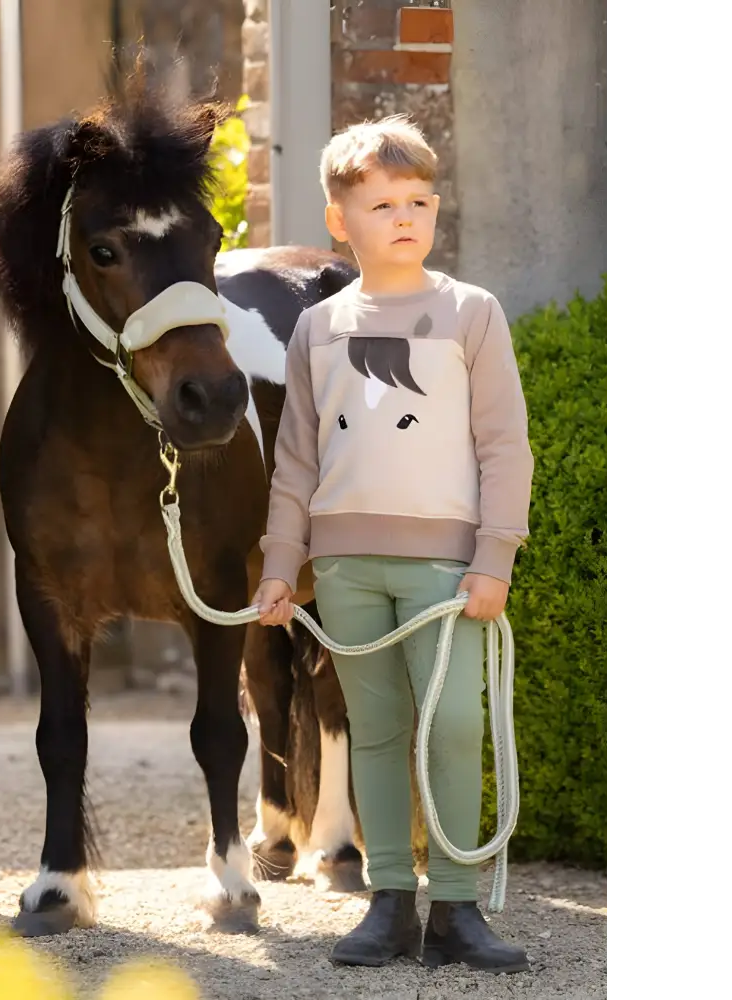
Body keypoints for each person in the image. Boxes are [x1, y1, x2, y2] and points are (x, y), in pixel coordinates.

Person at [251, 115, 534, 974]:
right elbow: (296, 458)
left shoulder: (471, 314)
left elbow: (504, 446)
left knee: (450, 727)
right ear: (343, 221)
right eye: (382, 204)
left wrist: (495, 557)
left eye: (418, 200)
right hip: (343, 567)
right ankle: (388, 902)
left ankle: (454, 906)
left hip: (448, 569)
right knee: (372, 731)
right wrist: (278, 566)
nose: (405, 216)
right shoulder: (318, 328)